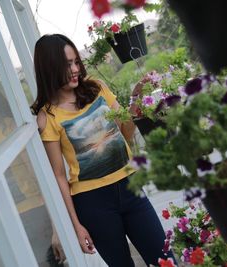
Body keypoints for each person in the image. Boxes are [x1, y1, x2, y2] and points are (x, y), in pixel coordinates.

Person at [31, 34, 174, 267]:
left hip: (130, 187)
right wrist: (75, 226)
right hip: (92, 203)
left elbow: (124, 133)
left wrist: (136, 98)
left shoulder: (97, 88)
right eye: (67, 65)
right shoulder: (48, 117)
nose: (76, 69)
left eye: (76, 61)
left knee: (165, 260)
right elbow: (58, 176)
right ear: (50, 67)